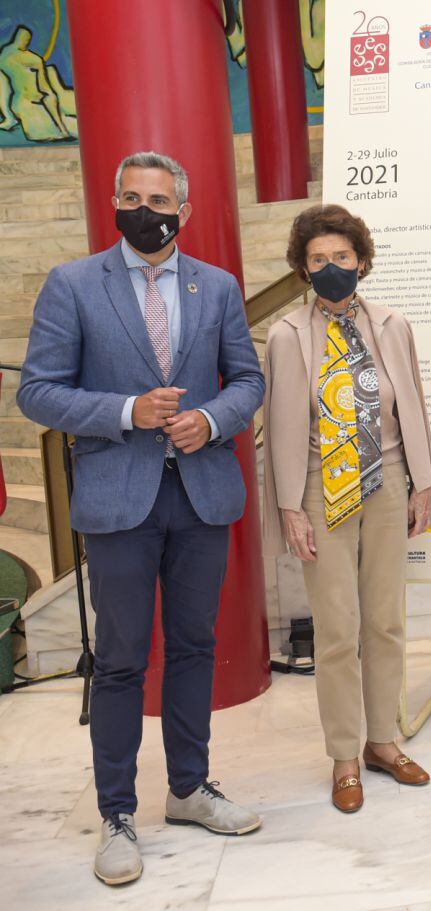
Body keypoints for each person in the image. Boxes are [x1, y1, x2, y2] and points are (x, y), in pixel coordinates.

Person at [17, 151, 265, 885]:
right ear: (115, 203)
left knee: (194, 646)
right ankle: (117, 813)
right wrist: (126, 411)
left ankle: (188, 788)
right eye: (131, 196)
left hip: (201, 493)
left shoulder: (215, 286)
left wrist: (211, 421)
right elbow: (38, 392)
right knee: (122, 661)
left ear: (182, 212)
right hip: (117, 499)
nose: (144, 207)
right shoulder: (72, 284)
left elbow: (246, 379)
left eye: (158, 198)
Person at [262, 204, 431, 814]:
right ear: (303, 270)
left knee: (385, 621)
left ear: (361, 261)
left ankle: (382, 743)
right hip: (322, 489)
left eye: (341, 257)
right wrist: (291, 507)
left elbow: (412, 406)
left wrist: (423, 483)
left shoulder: (393, 324)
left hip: (389, 484)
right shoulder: (287, 336)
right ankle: (344, 754)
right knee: (337, 631)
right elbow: (284, 426)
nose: (332, 267)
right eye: (318, 260)